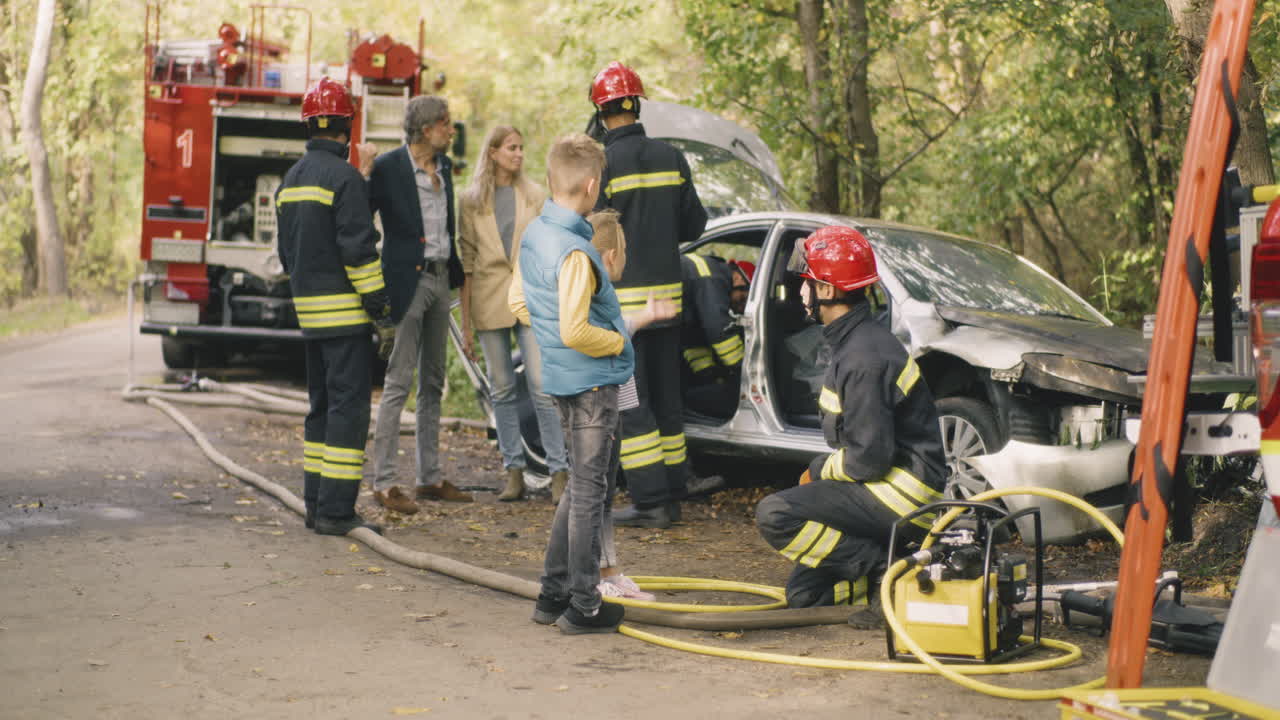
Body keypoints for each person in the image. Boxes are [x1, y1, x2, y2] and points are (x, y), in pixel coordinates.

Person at [755, 226, 947, 615]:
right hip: (887, 485)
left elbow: (868, 460)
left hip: (902, 493)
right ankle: (886, 576)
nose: (801, 291)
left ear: (826, 291)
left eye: (807, 282)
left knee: (774, 514)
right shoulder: (852, 341)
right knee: (805, 598)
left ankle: (885, 571)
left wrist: (819, 469)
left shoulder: (863, 357)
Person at [510, 133, 633, 633]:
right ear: (591, 184)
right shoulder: (577, 250)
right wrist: (618, 342)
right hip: (591, 385)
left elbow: (519, 304)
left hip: (561, 380)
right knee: (588, 494)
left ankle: (550, 593)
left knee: (578, 490)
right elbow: (575, 329)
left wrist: (556, 344)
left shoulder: (535, 235)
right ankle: (584, 605)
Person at [589, 61, 716, 529]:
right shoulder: (672, 157)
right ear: (637, 104)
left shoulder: (602, 164)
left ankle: (651, 502)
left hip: (624, 312)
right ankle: (675, 489)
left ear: (601, 113)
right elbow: (695, 226)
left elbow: (594, 235)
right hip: (669, 305)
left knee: (631, 404)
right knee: (666, 399)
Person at [275, 77, 393, 536]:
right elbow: (360, 253)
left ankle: (315, 504)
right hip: (345, 319)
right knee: (348, 412)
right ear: (347, 126)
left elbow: (287, 255)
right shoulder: (345, 178)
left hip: (309, 317)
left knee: (320, 409)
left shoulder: (291, 180)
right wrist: (380, 310)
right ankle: (337, 511)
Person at [368, 95, 473, 513]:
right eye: (446, 124)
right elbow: (360, 214)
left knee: (433, 383)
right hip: (406, 284)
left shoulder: (443, 166)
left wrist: (457, 277)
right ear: (428, 129)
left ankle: (428, 478)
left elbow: (446, 226)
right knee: (398, 382)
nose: (451, 130)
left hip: (441, 277)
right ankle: (384, 482)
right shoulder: (390, 167)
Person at [458, 125, 570, 503]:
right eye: (511, 148)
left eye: (521, 147)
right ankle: (513, 472)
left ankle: (558, 472)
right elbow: (467, 265)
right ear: (492, 152)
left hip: (532, 299)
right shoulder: (471, 201)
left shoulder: (536, 195)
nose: (518, 154)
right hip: (488, 302)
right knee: (502, 389)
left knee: (541, 386)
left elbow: (549, 249)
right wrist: (467, 327)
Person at [680, 254, 754, 420]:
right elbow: (719, 329)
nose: (741, 307)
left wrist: (709, 374)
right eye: (743, 299)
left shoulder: (708, 276)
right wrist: (744, 373)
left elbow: (692, 337)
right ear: (737, 277)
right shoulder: (711, 278)